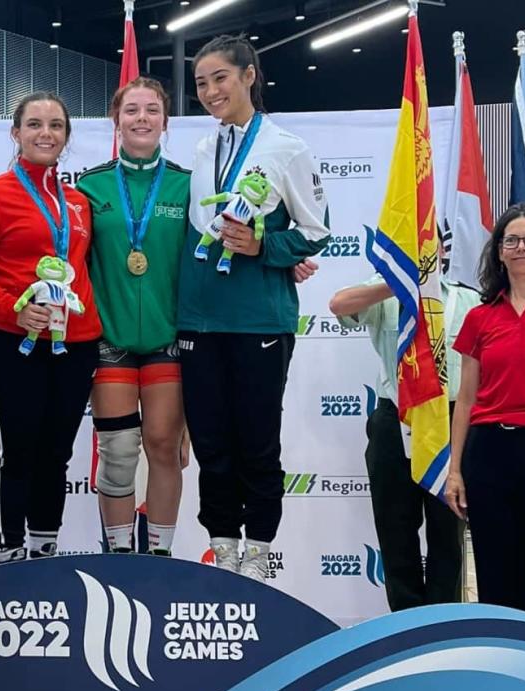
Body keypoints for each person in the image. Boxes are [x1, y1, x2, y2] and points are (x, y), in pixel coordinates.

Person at [179, 35, 331, 581]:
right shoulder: (202, 148)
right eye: (201, 82)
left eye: (220, 77)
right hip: (198, 316)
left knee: (257, 440)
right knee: (212, 442)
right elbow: (200, 227)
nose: (211, 90)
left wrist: (266, 248)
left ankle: (260, 552)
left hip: (259, 318)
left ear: (249, 75)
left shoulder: (286, 147)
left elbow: (316, 231)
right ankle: (222, 549)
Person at [0, 91, 102, 563]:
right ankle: (7, 551)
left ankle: (43, 549)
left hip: (74, 344)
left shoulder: (77, 203)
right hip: (14, 341)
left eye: (56, 126)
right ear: (16, 133)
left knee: (56, 454)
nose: (46, 134)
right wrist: (8, 310)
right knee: (14, 453)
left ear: (67, 137)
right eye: (34, 124)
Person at [74, 77, 190, 557]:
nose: (142, 119)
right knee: (118, 457)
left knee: (164, 448)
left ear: (165, 121)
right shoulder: (89, 186)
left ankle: (159, 558)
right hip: (111, 340)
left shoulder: (187, 184)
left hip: (167, 339)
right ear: (116, 119)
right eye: (132, 111)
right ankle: (120, 558)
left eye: (151, 111)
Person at [329, 261, 478, 611]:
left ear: (440, 249)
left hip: (450, 420)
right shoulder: (385, 291)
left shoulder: (466, 299)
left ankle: (443, 627)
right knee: (396, 530)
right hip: (394, 418)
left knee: (447, 533)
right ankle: (405, 626)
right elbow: (339, 305)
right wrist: (397, 284)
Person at [446, 202, 525, 618]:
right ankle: (504, 672)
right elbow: (466, 399)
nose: (521, 247)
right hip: (490, 454)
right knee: (497, 578)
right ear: (500, 251)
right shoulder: (479, 317)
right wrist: (455, 470)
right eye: (511, 240)